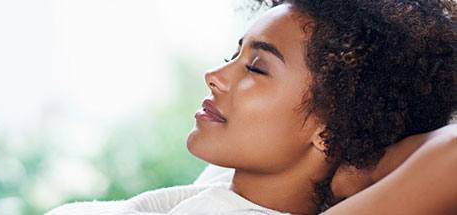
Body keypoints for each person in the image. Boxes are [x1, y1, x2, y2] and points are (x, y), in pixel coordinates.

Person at [48, 0, 456, 214]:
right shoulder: (220, 185)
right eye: (234, 54)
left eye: (257, 68)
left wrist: (358, 165)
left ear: (328, 129)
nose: (215, 75)